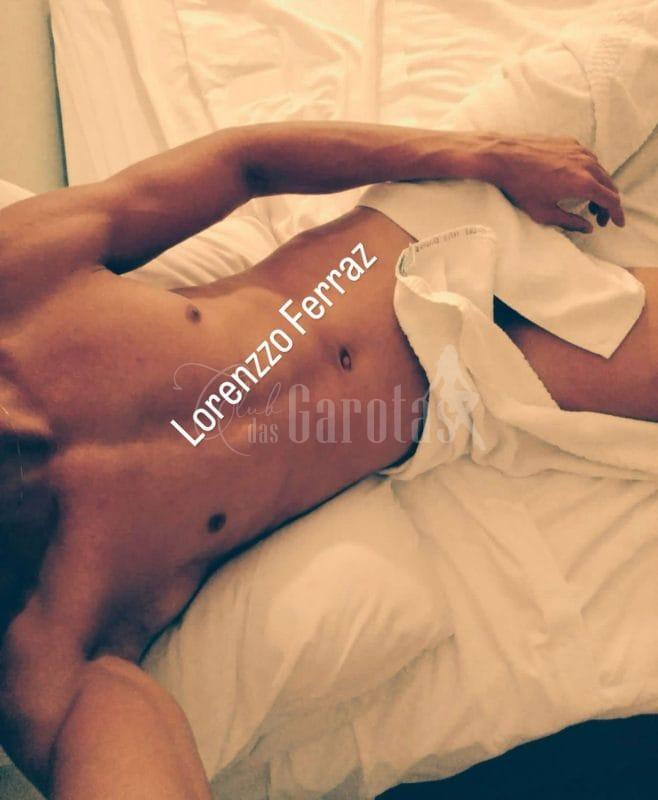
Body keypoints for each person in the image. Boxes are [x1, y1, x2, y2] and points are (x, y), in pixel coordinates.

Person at [0, 120, 653, 799]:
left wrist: (487, 154)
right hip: (467, 390)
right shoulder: (46, 652)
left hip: (425, 230)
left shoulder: (16, 275)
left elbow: (245, 163)